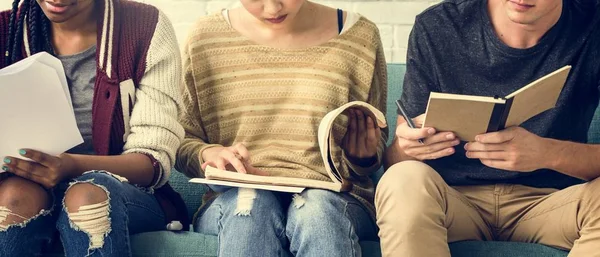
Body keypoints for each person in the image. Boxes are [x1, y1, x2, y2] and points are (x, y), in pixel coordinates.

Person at [375, 0, 600, 256]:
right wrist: (408, 148)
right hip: (452, 202)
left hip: (552, 203)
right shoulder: (437, 26)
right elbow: (395, 163)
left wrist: (546, 153)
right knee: (401, 180)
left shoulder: (592, 24)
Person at [175, 0, 388, 255]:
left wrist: (362, 156)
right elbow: (181, 139)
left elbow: (377, 142)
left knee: (317, 212)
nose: (273, 8)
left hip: (333, 196)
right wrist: (209, 154)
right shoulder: (204, 38)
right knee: (251, 207)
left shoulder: (360, 36)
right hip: (236, 197)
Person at [0, 0, 186, 256]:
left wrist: (72, 166)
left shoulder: (145, 27)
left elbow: (152, 163)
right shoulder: (6, 30)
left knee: (87, 198)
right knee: (12, 199)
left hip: (124, 194)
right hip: (26, 191)